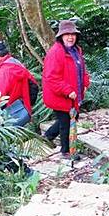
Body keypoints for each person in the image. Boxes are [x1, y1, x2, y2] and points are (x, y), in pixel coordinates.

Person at [0, 39, 38, 174]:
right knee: (3, 144)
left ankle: (26, 174)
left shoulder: (5, 71)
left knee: (0, 145)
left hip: (14, 112)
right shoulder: (12, 62)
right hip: (22, 108)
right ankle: (22, 173)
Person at [42, 20, 90, 159]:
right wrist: (68, 90)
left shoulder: (76, 50)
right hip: (60, 95)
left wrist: (85, 84)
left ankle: (48, 136)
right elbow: (51, 77)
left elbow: (82, 70)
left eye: (73, 34)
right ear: (61, 36)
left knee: (70, 118)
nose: (70, 37)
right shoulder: (56, 52)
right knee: (66, 122)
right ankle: (66, 151)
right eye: (67, 34)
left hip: (74, 94)